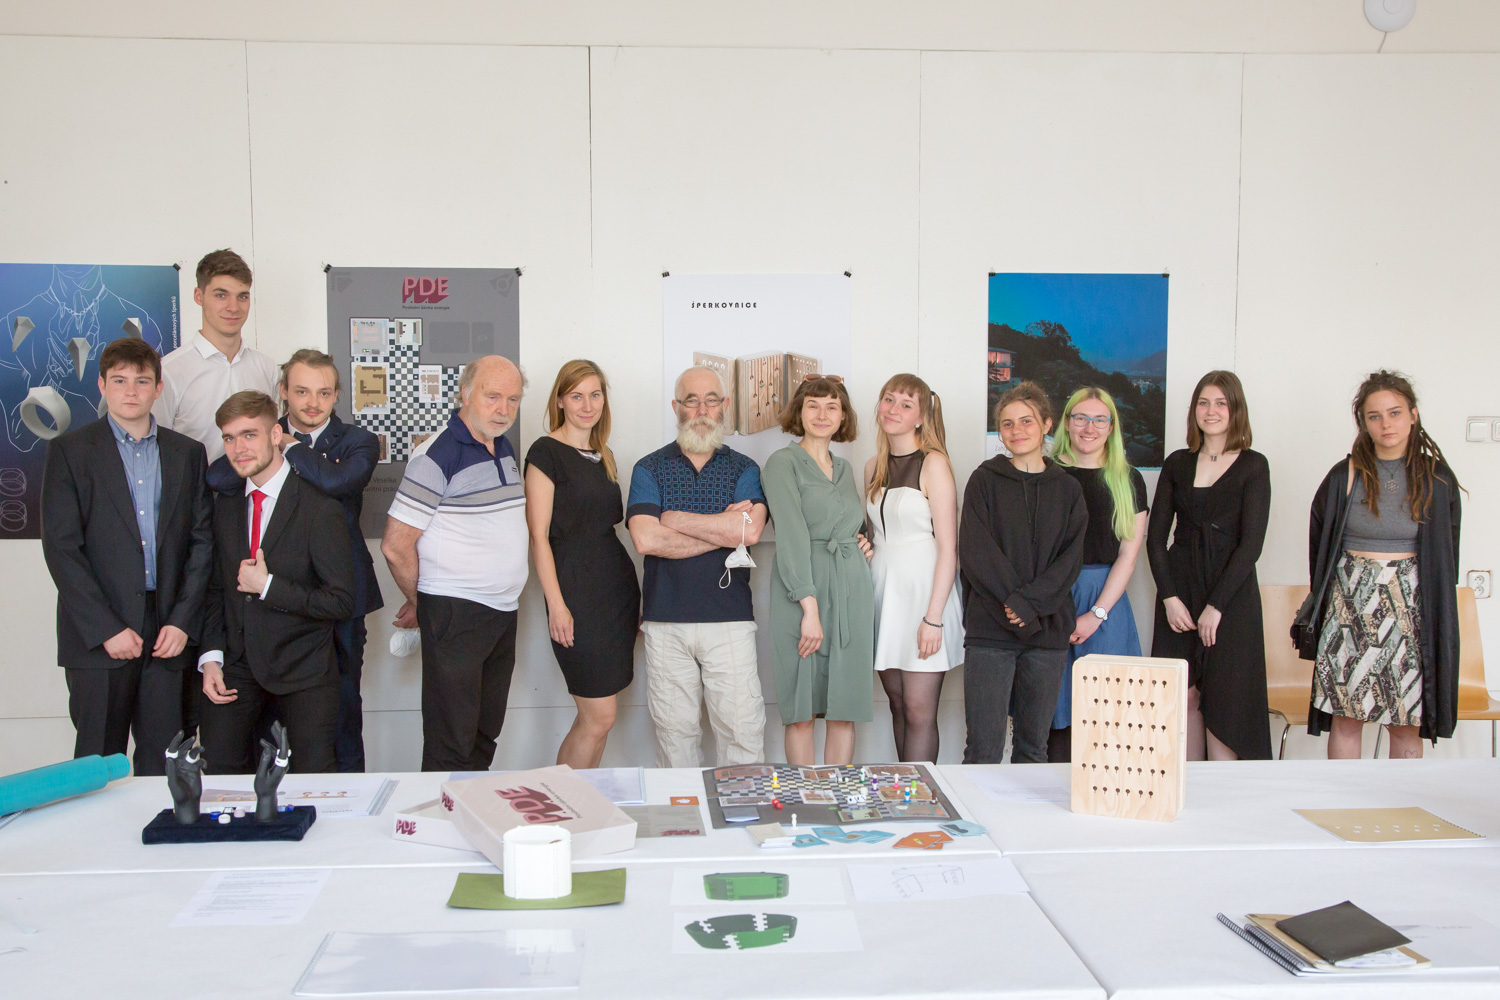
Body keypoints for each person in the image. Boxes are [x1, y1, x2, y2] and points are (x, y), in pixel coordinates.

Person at [40, 338, 213, 776]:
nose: (131, 391)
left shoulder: (187, 453)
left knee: (167, 761)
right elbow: (62, 549)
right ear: (102, 385)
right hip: (99, 632)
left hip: (168, 630)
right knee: (97, 762)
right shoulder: (70, 451)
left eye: (142, 381)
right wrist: (105, 628)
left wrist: (182, 621)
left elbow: (201, 543)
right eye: (119, 381)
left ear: (158, 388)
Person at [206, 349, 382, 772]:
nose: (312, 402)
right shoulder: (258, 435)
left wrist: (287, 444)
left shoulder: (357, 440)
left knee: (340, 713)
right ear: (283, 392)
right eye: (301, 391)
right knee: (265, 723)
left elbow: (337, 482)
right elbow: (220, 474)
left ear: (337, 395)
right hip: (267, 603)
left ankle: (344, 796)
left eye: (323, 393)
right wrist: (261, 439)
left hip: (338, 595)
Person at [382, 356, 528, 771]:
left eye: (513, 399)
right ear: (465, 393)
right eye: (492, 396)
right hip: (456, 612)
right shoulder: (437, 454)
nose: (503, 409)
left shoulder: (501, 445)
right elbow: (395, 545)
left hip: (501, 612)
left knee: (483, 734)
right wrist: (423, 603)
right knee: (451, 741)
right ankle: (443, 811)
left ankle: (471, 807)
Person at [1306, 371, 1462, 758]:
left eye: (1394, 413)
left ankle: (1402, 798)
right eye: (1374, 416)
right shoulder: (1344, 475)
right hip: (1348, 604)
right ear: (1363, 422)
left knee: (1405, 720)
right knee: (1346, 717)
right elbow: (1320, 547)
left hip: (1412, 607)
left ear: (1413, 415)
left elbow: (1448, 555)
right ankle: (1345, 797)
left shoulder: (1437, 478)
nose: (1386, 424)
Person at [626, 364, 768, 768]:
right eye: (692, 401)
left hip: (730, 621)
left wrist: (673, 519)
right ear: (676, 407)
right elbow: (646, 539)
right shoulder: (649, 467)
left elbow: (750, 531)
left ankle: (742, 808)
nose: (702, 410)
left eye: (711, 400)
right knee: (675, 740)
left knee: (742, 735)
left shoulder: (744, 468)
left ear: (724, 405)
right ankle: (683, 812)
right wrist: (722, 528)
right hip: (664, 622)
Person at [1147, 370, 1272, 761]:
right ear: (1194, 410)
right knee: (1180, 697)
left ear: (1236, 410)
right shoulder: (1177, 463)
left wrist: (1216, 606)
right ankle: (1185, 787)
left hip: (1231, 596)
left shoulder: (1254, 465)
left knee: (1225, 703)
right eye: (1204, 402)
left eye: (1221, 403)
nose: (1211, 410)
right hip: (1179, 591)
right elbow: (1155, 540)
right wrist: (1169, 598)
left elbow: (1251, 545)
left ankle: (1224, 790)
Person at [959, 381, 1087, 764]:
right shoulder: (983, 480)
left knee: (1033, 749)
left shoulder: (1068, 489)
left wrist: (1028, 604)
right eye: (1008, 423)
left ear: (1046, 425)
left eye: (1026, 421)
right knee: (983, 749)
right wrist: (1015, 603)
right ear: (1000, 432)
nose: (1017, 430)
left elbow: (1069, 560)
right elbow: (976, 551)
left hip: (1047, 633)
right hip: (990, 630)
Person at [525, 360, 641, 769]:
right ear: (560, 400)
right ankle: (560, 798)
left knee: (600, 720)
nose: (587, 405)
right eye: (576, 396)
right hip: (575, 593)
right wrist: (557, 606)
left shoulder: (603, 454)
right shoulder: (545, 452)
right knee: (599, 716)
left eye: (595, 395)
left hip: (615, 594)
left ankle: (581, 796)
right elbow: (539, 536)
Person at [763, 375, 874, 767]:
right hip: (801, 593)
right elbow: (791, 535)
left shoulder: (844, 468)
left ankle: (837, 796)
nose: (822, 414)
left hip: (850, 591)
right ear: (800, 412)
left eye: (831, 407)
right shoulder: (782, 463)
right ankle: (805, 796)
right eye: (813, 405)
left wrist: (863, 542)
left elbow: (849, 522)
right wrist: (808, 609)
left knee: (844, 708)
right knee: (802, 710)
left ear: (843, 416)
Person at [1047, 387, 1149, 763]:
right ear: (1067, 422)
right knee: (1053, 715)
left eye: (1099, 420)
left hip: (1106, 603)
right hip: (1052, 598)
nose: (1089, 428)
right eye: (1081, 418)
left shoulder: (1129, 479)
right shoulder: (1045, 473)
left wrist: (1097, 614)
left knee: (1107, 718)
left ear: (1111, 427)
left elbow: (1129, 555)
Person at [863, 374, 962, 763]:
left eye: (906, 404)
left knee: (920, 710)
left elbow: (949, 548)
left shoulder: (934, 464)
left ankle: (921, 795)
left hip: (925, 597)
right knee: (898, 704)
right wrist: (864, 545)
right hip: (883, 596)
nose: (893, 409)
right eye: (888, 399)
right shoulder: (872, 466)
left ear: (921, 417)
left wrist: (933, 618)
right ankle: (902, 789)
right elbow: (874, 533)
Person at [153, 250, 279, 462]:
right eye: (221, 295)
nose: (233, 307)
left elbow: (274, 442)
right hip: (195, 484)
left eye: (242, 296)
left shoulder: (267, 368)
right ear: (199, 296)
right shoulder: (169, 371)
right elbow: (156, 447)